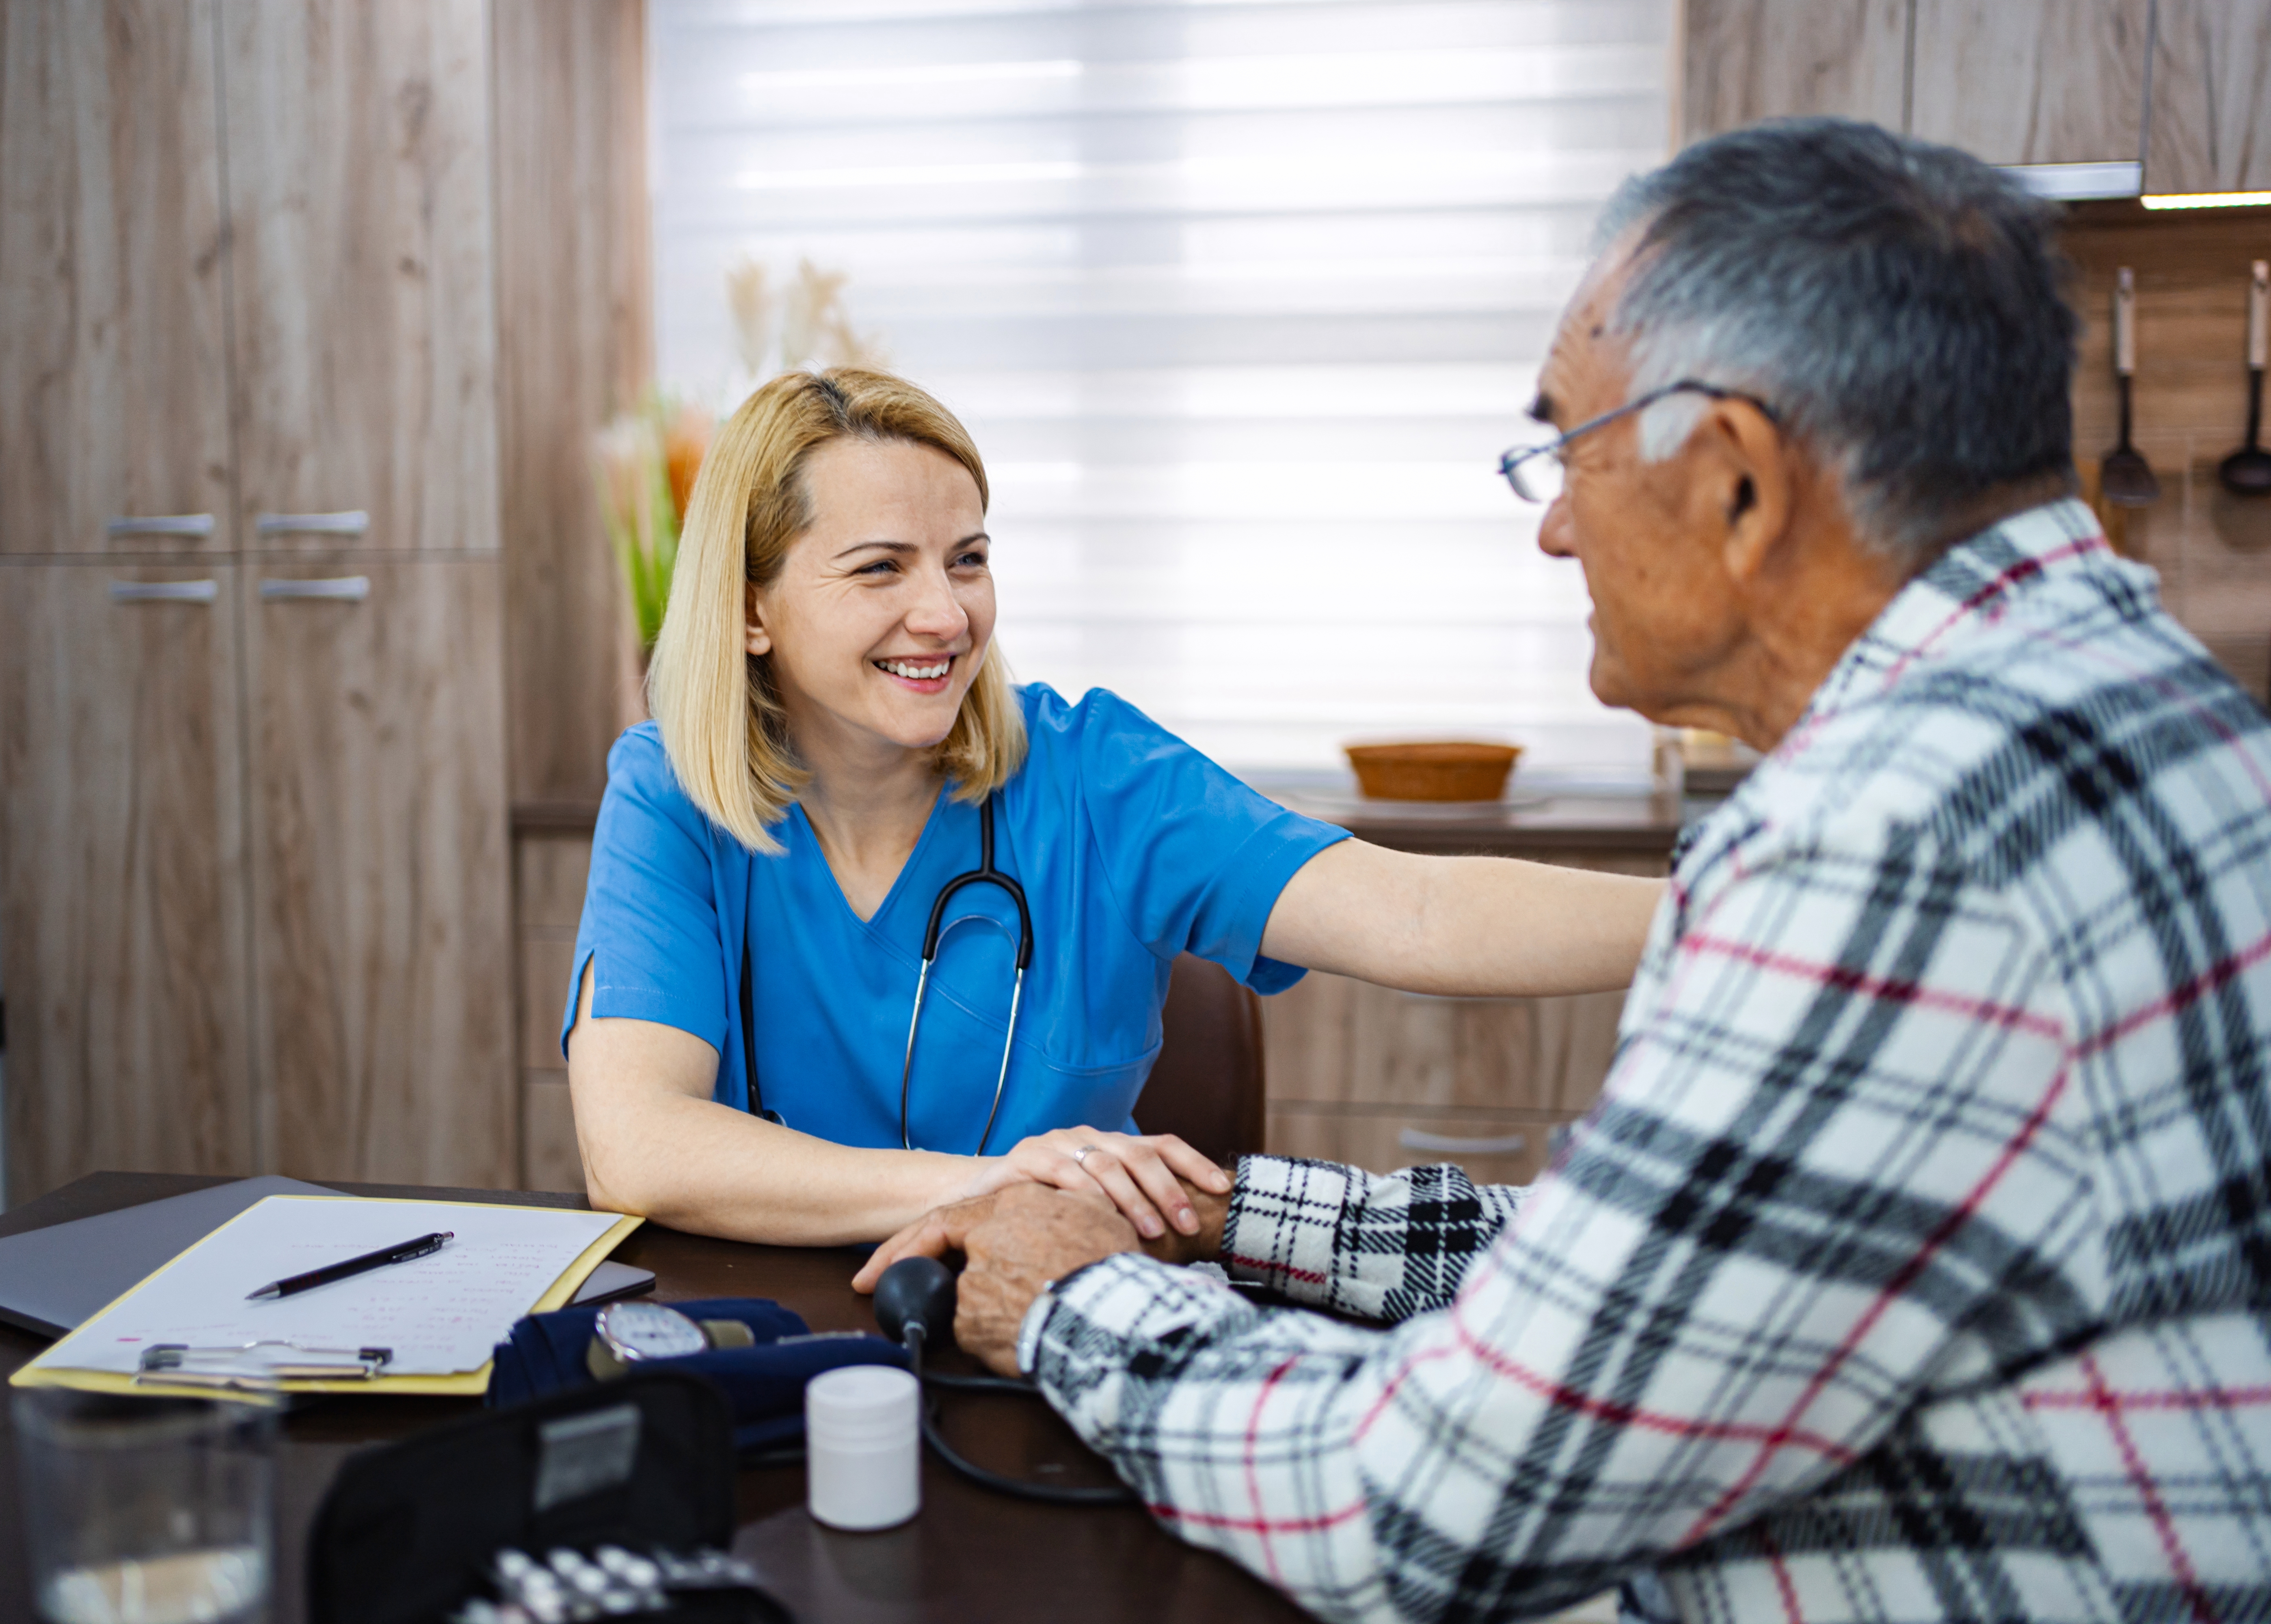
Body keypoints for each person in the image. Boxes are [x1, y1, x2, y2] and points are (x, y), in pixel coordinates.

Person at [860, 119, 2271, 1624]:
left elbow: (1428, 1502)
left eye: (1570, 453)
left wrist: (1073, 1293)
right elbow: (1659, 1276)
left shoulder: (1889, 841)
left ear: (1737, 480)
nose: (1550, 528)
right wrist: (1230, 1214)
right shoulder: (2150, 709)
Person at [564, 367, 1665, 1247]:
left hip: (1057, 1313)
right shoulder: (673, 793)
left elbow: (1417, 913)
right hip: (762, 1338)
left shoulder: (1095, 774)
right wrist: (990, 1184)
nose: (945, 614)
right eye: (880, 569)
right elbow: (638, 1148)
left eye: (968, 560)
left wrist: (1727, 913)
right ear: (751, 611)